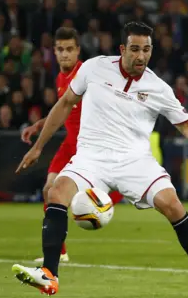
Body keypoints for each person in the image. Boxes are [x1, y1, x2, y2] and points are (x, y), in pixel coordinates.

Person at [12, 22, 188, 298]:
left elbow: (187, 126)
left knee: (173, 206)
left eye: (147, 50)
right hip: (92, 157)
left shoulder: (158, 88)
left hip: (135, 161)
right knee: (55, 192)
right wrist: (38, 147)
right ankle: (49, 274)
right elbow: (65, 104)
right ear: (122, 49)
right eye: (135, 49)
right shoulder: (93, 68)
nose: (141, 56)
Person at [21, 27, 124, 264]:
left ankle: (110, 199)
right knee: (49, 190)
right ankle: (60, 250)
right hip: (70, 142)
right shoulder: (60, 77)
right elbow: (62, 109)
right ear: (54, 52)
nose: (64, 54)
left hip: (89, 144)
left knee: (71, 191)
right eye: (60, 50)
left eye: (69, 49)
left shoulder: (87, 75)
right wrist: (39, 125)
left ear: (78, 50)